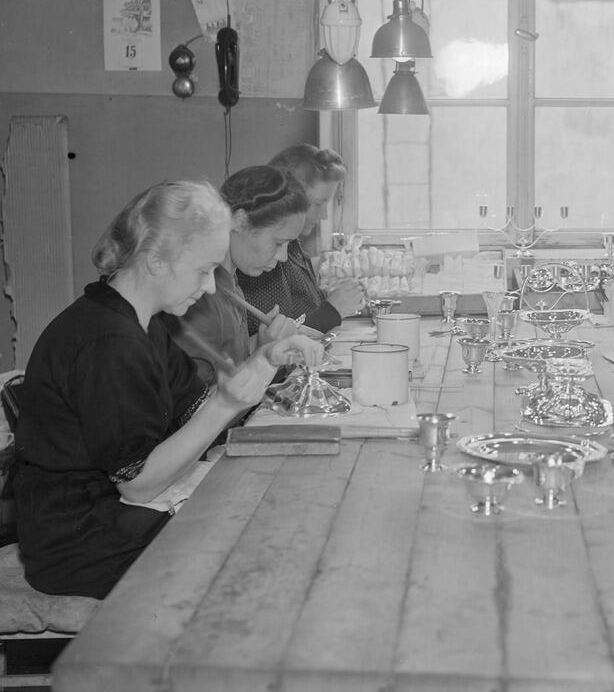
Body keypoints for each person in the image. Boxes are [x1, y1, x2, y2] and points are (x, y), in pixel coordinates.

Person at [11, 181, 324, 598]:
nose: (212, 287)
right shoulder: (109, 343)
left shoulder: (145, 325)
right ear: (157, 261)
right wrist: (224, 403)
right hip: (81, 541)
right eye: (203, 271)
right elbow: (137, 482)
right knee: (267, 551)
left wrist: (264, 363)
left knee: (278, 511)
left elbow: (191, 411)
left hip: (113, 519)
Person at [172, 166, 314, 384]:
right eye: (278, 243)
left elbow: (227, 357)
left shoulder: (232, 281)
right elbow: (196, 406)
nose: (284, 257)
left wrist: (261, 343)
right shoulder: (200, 297)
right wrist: (265, 357)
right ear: (239, 221)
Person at [237, 144, 364, 334]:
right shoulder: (263, 259)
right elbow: (271, 335)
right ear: (288, 195)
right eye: (317, 204)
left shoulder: (292, 246)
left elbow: (299, 312)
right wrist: (332, 311)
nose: (323, 216)